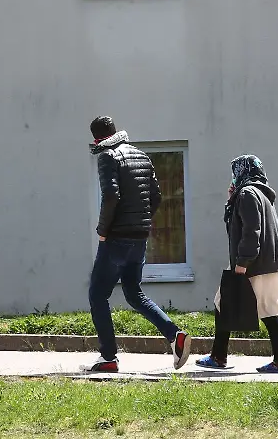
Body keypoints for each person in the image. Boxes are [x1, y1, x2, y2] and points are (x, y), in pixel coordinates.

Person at [83, 116, 192, 373]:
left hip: (117, 238)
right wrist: (141, 223)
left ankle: (108, 357)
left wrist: (103, 231)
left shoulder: (108, 157)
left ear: (98, 139)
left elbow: (110, 195)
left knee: (98, 294)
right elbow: (156, 197)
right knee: (134, 293)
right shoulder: (141, 156)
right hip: (140, 237)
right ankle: (174, 335)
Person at [196, 155, 278, 373]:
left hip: (254, 264)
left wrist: (242, 263)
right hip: (269, 262)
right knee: (263, 309)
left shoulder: (248, 194)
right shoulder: (261, 194)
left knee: (228, 304)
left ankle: (220, 357)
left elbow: (251, 232)